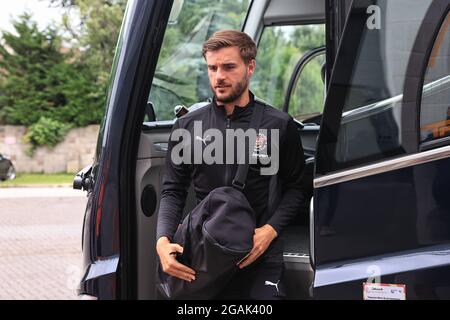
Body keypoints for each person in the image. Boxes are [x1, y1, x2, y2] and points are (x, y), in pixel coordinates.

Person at [156, 30, 306, 300]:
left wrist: (269, 232)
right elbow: (173, 190)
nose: (218, 77)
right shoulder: (187, 126)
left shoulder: (279, 124)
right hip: (204, 256)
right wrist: (163, 240)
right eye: (212, 68)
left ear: (250, 67)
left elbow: (297, 187)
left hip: (258, 256)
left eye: (228, 67)